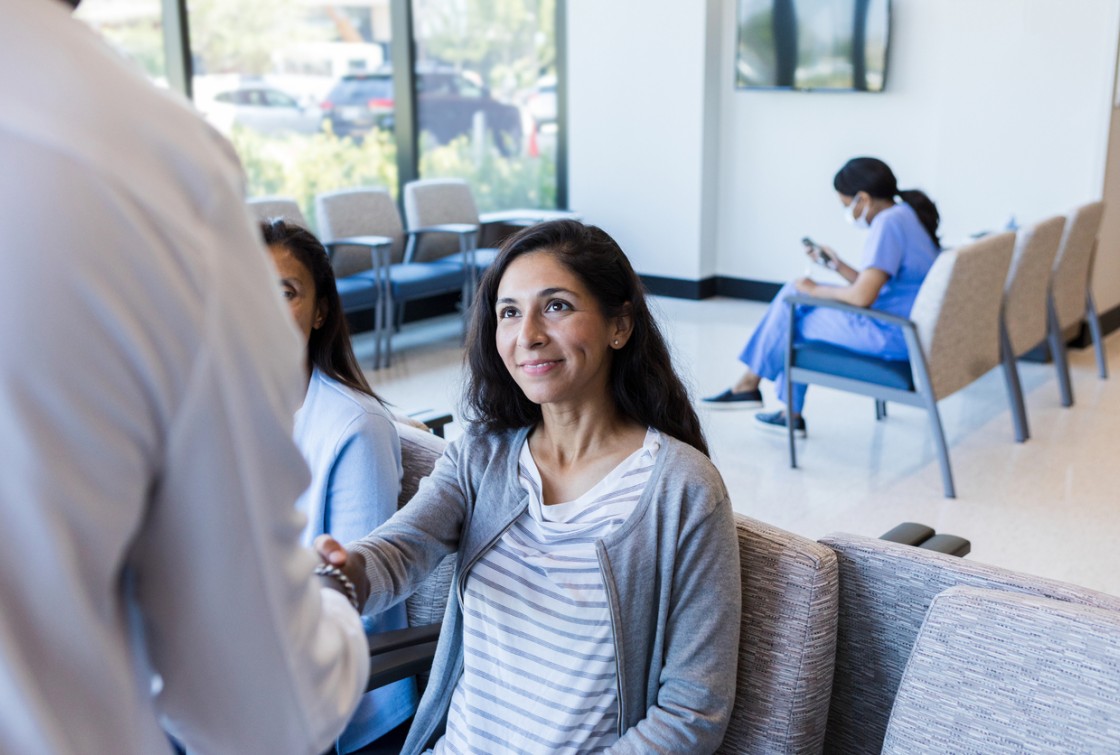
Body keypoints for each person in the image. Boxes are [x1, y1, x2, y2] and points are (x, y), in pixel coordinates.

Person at [0, 1, 370, 752]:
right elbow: (260, 705)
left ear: (322, 309)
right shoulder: (143, 164)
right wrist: (330, 599)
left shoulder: (352, 425)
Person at [318, 219, 742, 754]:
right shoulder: (482, 454)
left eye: (557, 306)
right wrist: (345, 574)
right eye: (510, 312)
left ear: (620, 326)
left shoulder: (683, 490)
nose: (528, 335)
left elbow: (692, 713)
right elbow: (402, 548)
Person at [261, 219, 419, 752]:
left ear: (320, 311)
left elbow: (356, 588)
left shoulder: (354, 427)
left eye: (284, 292)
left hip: (346, 694)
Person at [702, 156, 941, 437]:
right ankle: (767, 399)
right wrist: (836, 265)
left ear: (862, 198)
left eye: (846, 205)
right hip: (902, 325)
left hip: (891, 332)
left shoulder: (887, 224)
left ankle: (763, 396)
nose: (848, 213)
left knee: (792, 315)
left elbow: (863, 296)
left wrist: (813, 290)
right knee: (795, 298)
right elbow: (876, 284)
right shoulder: (905, 214)